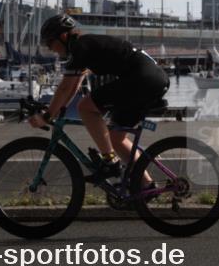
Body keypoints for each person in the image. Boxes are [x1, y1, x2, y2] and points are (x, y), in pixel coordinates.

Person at [30, 14, 169, 182]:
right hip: (152, 79)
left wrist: (47, 115)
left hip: (141, 79)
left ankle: (110, 161)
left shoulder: (80, 47)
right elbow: (73, 87)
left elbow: (65, 87)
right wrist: (58, 110)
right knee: (116, 139)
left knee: (85, 107)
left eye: (50, 42)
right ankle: (147, 186)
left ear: (63, 36)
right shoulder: (85, 47)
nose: (50, 48)